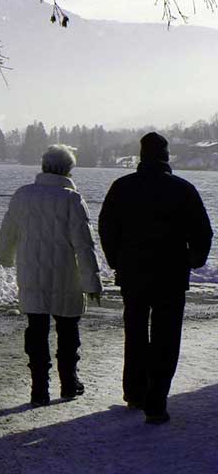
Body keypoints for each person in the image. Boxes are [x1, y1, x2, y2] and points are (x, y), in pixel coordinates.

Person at [98, 131, 212, 425]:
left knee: (135, 330)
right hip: (170, 274)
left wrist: (116, 261)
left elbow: (107, 227)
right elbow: (203, 231)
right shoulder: (183, 189)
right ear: (166, 156)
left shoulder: (122, 187)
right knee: (166, 336)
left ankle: (135, 392)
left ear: (141, 155)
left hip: (133, 272)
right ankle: (156, 402)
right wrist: (193, 260)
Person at [0, 144, 102, 407]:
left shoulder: (22, 195)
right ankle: (69, 383)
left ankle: (39, 390)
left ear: (43, 166)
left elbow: (7, 232)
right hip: (67, 278)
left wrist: (5, 259)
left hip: (32, 275)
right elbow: (84, 245)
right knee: (68, 332)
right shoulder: (72, 199)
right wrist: (92, 282)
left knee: (36, 332)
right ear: (68, 169)